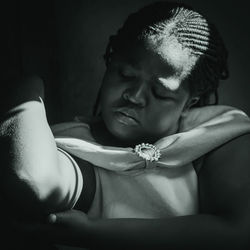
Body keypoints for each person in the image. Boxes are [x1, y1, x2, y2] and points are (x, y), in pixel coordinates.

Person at [1, 1, 250, 249]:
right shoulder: (80, 147)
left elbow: (240, 232)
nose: (134, 96)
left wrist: (94, 233)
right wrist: (28, 87)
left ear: (189, 103)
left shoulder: (215, 132)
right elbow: (33, 180)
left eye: (160, 92)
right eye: (125, 75)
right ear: (109, 65)